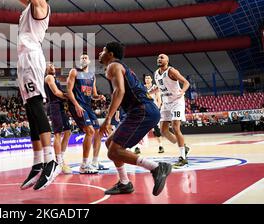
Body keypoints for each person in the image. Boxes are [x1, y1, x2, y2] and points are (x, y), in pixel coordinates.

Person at [10, 0, 59, 191]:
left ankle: (51, 161)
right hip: (23, 57)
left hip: (31, 56)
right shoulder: (30, 6)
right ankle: (38, 162)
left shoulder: (41, 3)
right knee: (30, 108)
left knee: (37, 105)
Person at [99, 42, 172, 196]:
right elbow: (119, 93)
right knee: (110, 144)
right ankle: (124, 183)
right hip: (140, 110)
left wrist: (107, 119)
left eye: (103, 50)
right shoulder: (118, 67)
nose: (100, 53)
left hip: (142, 110)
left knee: (114, 151)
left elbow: (119, 91)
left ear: (111, 54)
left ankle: (157, 167)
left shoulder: (113, 66)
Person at [67, 53, 107, 174]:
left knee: (98, 132)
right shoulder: (74, 72)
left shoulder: (91, 76)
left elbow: (93, 95)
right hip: (77, 105)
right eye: (81, 58)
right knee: (89, 131)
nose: (83, 59)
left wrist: (99, 97)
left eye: (85, 58)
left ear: (89, 61)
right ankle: (84, 165)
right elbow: (69, 91)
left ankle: (94, 162)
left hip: (87, 106)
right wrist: (76, 105)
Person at [154, 54, 190, 168]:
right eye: (158, 58)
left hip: (177, 102)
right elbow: (158, 88)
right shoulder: (156, 73)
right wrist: (147, 94)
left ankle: (183, 158)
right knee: (163, 131)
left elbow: (186, 82)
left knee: (175, 127)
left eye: (162, 57)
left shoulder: (172, 71)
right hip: (166, 103)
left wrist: (182, 91)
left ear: (167, 61)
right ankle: (184, 147)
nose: (159, 59)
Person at [44, 63, 72, 174]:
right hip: (54, 106)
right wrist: (69, 96)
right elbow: (56, 92)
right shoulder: (49, 77)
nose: (52, 66)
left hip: (60, 106)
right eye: (49, 65)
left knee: (68, 132)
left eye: (53, 65)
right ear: (45, 69)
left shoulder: (54, 77)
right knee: (57, 134)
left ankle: (61, 158)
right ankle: (59, 162)